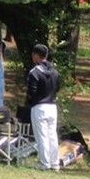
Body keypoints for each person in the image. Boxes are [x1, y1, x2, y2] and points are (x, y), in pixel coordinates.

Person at [26, 43, 61, 171]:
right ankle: (55, 163)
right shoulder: (55, 72)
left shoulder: (34, 72)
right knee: (52, 135)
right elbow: (57, 88)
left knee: (42, 136)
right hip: (52, 106)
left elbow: (31, 92)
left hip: (39, 107)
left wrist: (31, 101)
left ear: (36, 55)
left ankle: (44, 163)